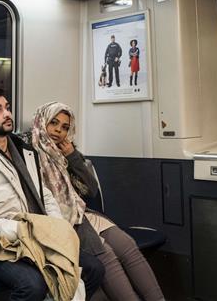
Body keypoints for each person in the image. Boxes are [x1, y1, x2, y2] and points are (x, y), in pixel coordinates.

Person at [0, 88, 105, 301]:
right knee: (32, 285)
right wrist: (20, 230)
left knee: (94, 268)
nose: (7, 114)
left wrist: (55, 229)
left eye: (7, 108)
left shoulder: (26, 154)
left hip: (34, 236)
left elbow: (44, 194)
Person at [31, 102, 164, 301]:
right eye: (54, 123)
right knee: (107, 255)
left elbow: (90, 189)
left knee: (127, 244)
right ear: (42, 123)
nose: (58, 130)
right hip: (60, 221)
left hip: (79, 212)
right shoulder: (29, 153)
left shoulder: (65, 154)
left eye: (65, 127)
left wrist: (73, 157)